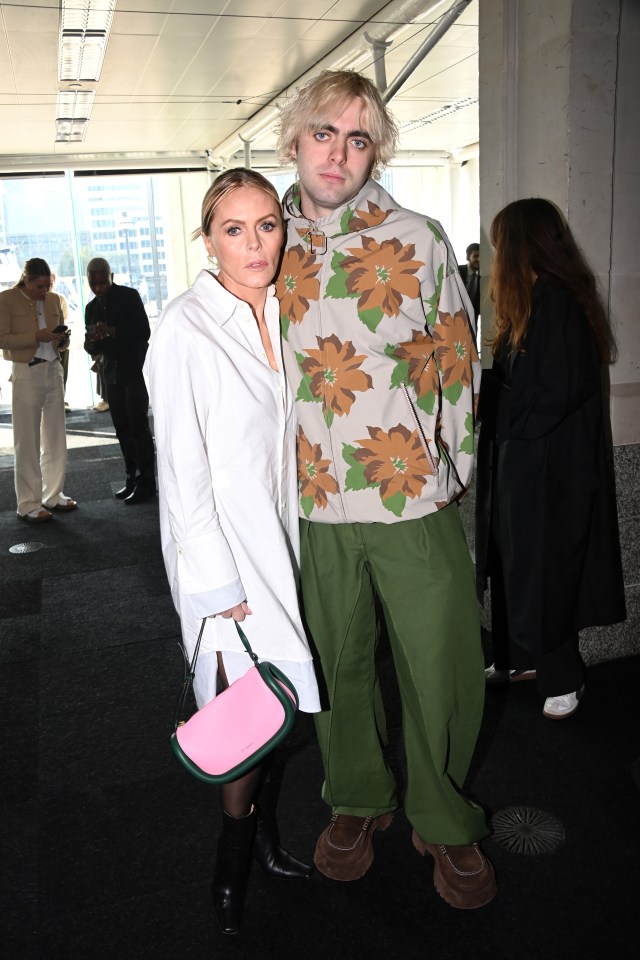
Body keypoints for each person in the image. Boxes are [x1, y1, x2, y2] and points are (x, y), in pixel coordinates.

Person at [275, 69, 496, 910]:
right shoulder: (270, 245)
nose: (339, 152)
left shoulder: (418, 236)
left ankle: (442, 816)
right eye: (324, 133)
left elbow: (459, 361)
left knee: (441, 664)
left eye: (358, 138)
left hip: (408, 497)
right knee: (332, 666)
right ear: (295, 140)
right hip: (313, 498)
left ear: (376, 153)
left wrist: (450, 474)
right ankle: (357, 799)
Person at [144, 169, 321, 935]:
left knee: (279, 702)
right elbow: (180, 469)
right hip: (224, 558)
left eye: (268, 225)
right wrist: (216, 583)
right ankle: (233, 859)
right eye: (234, 229)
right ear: (208, 239)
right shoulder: (185, 325)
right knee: (244, 716)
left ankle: (268, 839)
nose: (255, 245)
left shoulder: (288, 309)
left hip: (284, 541)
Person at [475, 198, 626, 719]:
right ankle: (519, 658)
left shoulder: (557, 300)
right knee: (512, 561)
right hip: (524, 460)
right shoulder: (535, 300)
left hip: (551, 467)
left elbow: (559, 391)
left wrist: (502, 410)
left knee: (544, 566)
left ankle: (564, 675)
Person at [0, 257, 77, 521]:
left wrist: (61, 338)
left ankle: (53, 495)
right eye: (39, 287)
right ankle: (28, 503)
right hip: (26, 371)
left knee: (56, 437)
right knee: (27, 440)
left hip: (53, 369)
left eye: (47, 286)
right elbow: (2, 338)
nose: (44, 292)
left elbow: (61, 340)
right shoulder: (6, 299)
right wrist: (35, 336)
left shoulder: (55, 300)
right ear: (26, 279)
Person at [83, 258, 156, 504]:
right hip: (110, 374)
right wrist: (92, 341)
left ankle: (147, 483)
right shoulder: (91, 307)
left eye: (102, 282)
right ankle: (131, 479)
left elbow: (144, 332)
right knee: (122, 429)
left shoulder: (129, 296)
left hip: (133, 369)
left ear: (111, 276)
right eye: (94, 284)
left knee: (138, 427)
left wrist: (113, 331)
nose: (98, 288)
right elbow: (92, 346)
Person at [49, 272, 71, 409]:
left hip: (60, 342)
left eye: (50, 284)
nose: (47, 287)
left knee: (62, 374)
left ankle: (61, 399)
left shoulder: (58, 298)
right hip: (45, 344)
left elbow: (65, 319)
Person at [459, 242, 481, 320]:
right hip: (456, 316)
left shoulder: (483, 277)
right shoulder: (457, 271)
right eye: (475, 256)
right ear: (468, 257)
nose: (479, 259)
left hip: (473, 319)